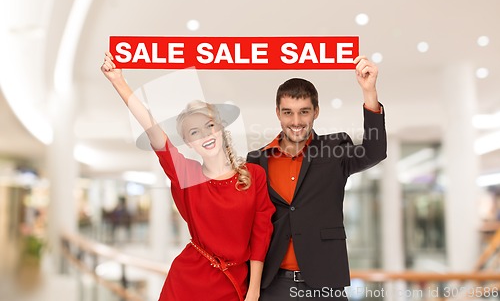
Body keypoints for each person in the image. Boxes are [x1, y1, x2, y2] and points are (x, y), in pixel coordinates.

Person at [100, 51, 275, 301]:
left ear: (221, 128)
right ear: (189, 143)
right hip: (187, 284)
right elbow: (153, 131)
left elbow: (261, 234)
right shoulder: (187, 175)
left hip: (235, 284)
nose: (205, 135)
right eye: (194, 132)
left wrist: (254, 290)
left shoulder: (253, 175)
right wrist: (119, 82)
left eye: (209, 126)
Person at [247, 55, 387, 300]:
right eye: (288, 112)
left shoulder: (334, 150)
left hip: (325, 285)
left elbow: (374, 151)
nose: (296, 121)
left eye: (304, 112)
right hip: (273, 285)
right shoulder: (257, 161)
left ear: (316, 112)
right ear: (278, 113)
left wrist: (369, 92)